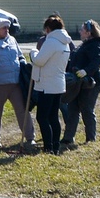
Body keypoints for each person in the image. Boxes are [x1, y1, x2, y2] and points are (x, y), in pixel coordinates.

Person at [0, 17, 36, 148]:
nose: (7, 30)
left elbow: (20, 55)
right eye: (4, 28)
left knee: (23, 110)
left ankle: (30, 136)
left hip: (15, 83)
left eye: (7, 28)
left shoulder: (12, 40)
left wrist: (22, 63)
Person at [31, 14, 72, 155]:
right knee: (53, 116)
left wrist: (33, 53)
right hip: (59, 84)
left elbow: (39, 61)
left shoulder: (51, 42)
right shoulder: (65, 42)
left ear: (48, 29)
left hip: (47, 84)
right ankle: (55, 146)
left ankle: (48, 146)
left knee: (42, 117)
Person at [62, 19, 100, 145]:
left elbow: (96, 62)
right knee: (72, 109)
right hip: (78, 82)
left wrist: (86, 71)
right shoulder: (84, 44)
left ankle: (90, 138)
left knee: (86, 109)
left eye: (82, 30)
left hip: (91, 83)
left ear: (89, 33)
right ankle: (68, 138)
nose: (80, 31)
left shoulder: (95, 45)